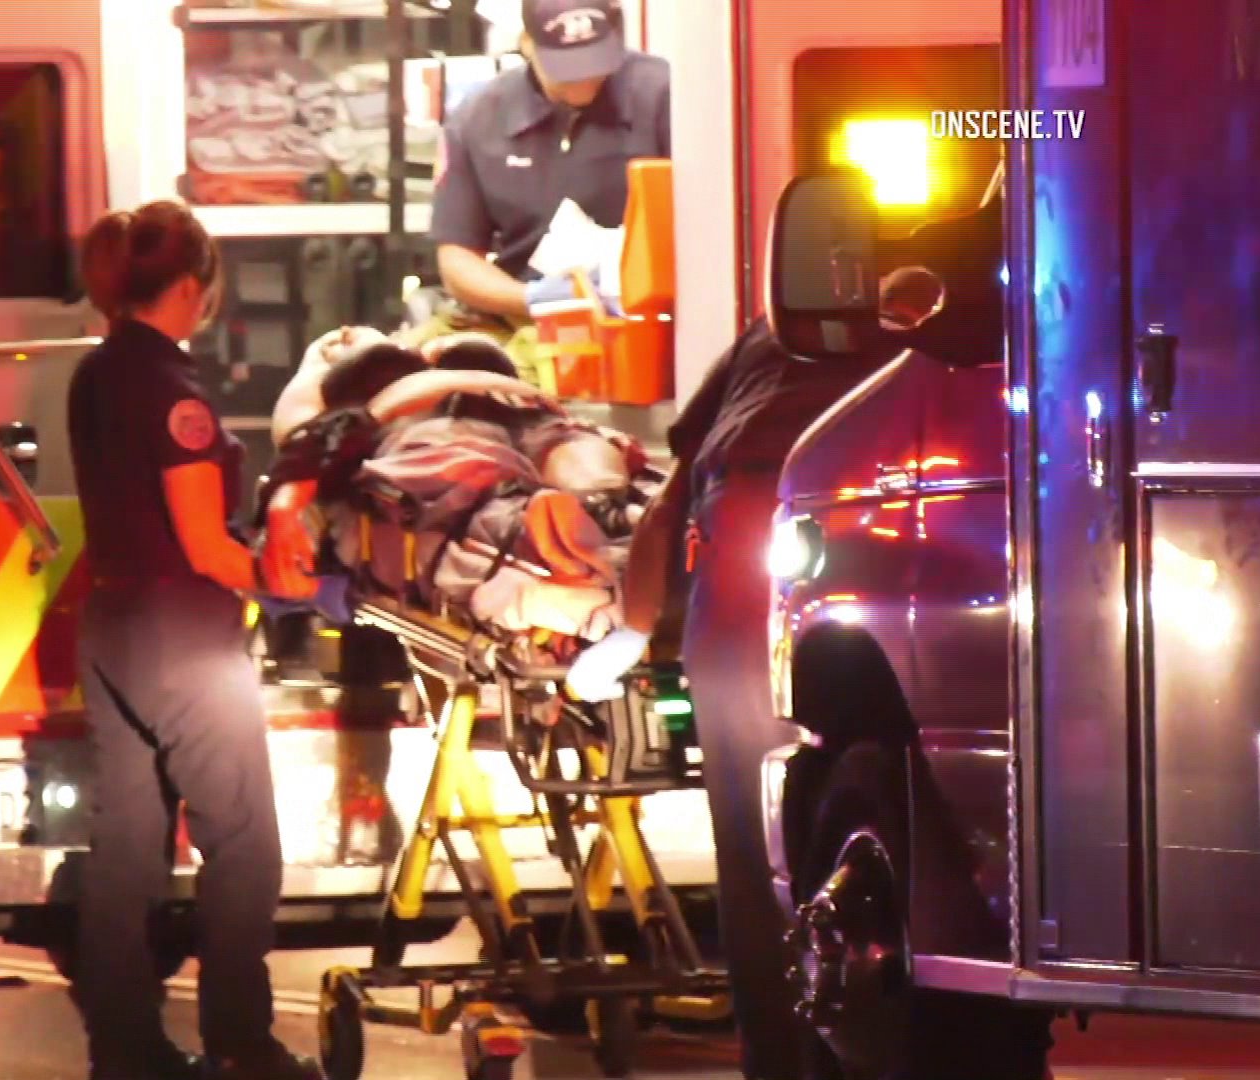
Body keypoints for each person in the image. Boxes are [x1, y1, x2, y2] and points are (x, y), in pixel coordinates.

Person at [561, 267, 962, 1080]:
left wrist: (635, 632)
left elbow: (679, 493)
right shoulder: (958, 351)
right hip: (876, 570)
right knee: (909, 844)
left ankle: (787, 1061)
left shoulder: (771, 336)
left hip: (753, 571)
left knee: (758, 853)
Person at [64, 198, 323, 1080]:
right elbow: (206, 546)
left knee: (125, 850)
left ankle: (124, 1048)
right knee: (242, 842)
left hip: (112, 631)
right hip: (184, 637)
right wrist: (287, 581)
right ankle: (242, 1043)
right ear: (191, 288)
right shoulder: (175, 392)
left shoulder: (94, 373)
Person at [398, 0, 669, 371]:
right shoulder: (478, 120)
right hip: (523, 319)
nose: (585, 78)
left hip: (644, 322)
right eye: (567, 68)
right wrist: (533, 299)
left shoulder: (666, 96)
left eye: (596, 61)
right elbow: (458, 259)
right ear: (527, 44)